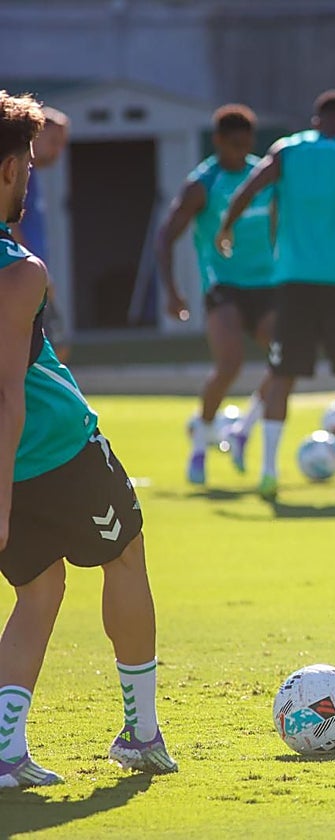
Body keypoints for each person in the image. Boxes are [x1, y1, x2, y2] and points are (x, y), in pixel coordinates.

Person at [0, 92, 176, 787]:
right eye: (30, 165)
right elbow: (9, 393)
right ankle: (140, 733)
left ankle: (5, 751)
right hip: (55, 449)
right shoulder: (20, 271)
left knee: (39, 590)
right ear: (10, 170)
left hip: (18, 465)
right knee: (126, 556)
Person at [218, 89, 335, 502]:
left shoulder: (287, 151)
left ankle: (268, 474)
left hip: (292, 282)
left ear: (315, 121)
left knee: (282, 375)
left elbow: (247, 190)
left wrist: (226, 228)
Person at [155, 104, 276, 485]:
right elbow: (166, 236)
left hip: (268, 283)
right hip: (223, 285)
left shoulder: (263, 176)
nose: (241, 151)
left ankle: (243, 429)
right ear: (219, 140)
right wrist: (173, 292)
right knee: (230, 365)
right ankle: (200, 442)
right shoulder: (202, 184)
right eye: (233, 143)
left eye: (247, 143)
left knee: (286, 358)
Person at [10, 106, 70, 361]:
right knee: (49, 350)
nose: (59, 151)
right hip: (24, 274)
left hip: (36, 274)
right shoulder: (16, 174)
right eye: (54, 142)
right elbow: (11, 226)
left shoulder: (33, 178)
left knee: (55, 348)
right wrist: (31, 269)